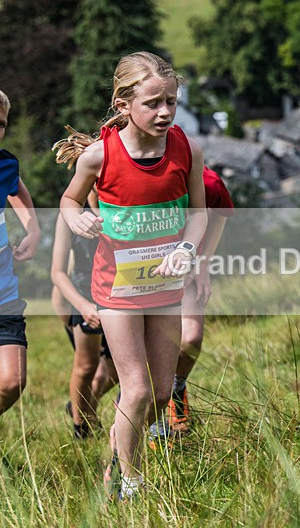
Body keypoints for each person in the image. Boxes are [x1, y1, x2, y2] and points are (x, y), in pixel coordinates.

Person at [54, 52, 207, 500]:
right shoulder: (99, 157)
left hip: (166, 287)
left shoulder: (187, 149)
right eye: (153, 103)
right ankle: (129, 481)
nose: (164, 113)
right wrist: (77, 216)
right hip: (116, 289)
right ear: (123, 105)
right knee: (136, 390)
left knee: (161, 392)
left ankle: (119, 443)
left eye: (171, 103)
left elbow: (199, 214)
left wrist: (185, 248)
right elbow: (67, 201)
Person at [150, 165, 233, 439]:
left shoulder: (208, 182)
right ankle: (151, 424)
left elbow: (220, 213)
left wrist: (203, 263)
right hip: (143, 268)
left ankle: (176, 387)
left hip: (185, 266)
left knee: (191, 339)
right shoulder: (142, 178)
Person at [51, 188, 118, 439]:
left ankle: (80, 405)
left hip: (120, 294)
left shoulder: (121, 205)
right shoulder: (70, 212)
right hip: (85, 297)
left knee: (118, 370)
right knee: (87, 365)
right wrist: (82, 306)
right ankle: (83, 428)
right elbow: (57, 272)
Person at [0, 89, 41, 416]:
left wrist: (33, 227)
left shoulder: (5, 164)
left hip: (5, 296)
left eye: (0, 124)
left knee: (12, 382)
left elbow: (16, 186)